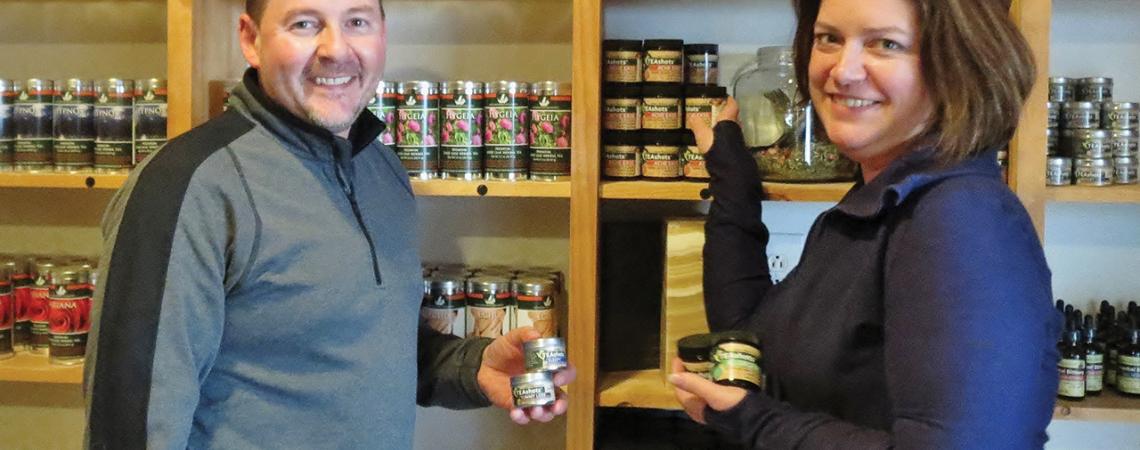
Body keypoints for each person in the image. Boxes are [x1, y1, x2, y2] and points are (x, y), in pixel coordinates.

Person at [82, 0, 573, 448]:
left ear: (382, 33)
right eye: (304, 24)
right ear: (251, 39)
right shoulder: (185, 186)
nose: (336, 49)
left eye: (357, 22)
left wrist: (474, 368)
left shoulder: (381, 170)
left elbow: (366, 341)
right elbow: (131, 424)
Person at [670, 0, 1060, 448]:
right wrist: (732, 177)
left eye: (885, 44)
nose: (843, 71)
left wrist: (753, 422)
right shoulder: (878, 204)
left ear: (958, 63)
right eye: (828, 38)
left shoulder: (962, 218)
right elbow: (750, 338)